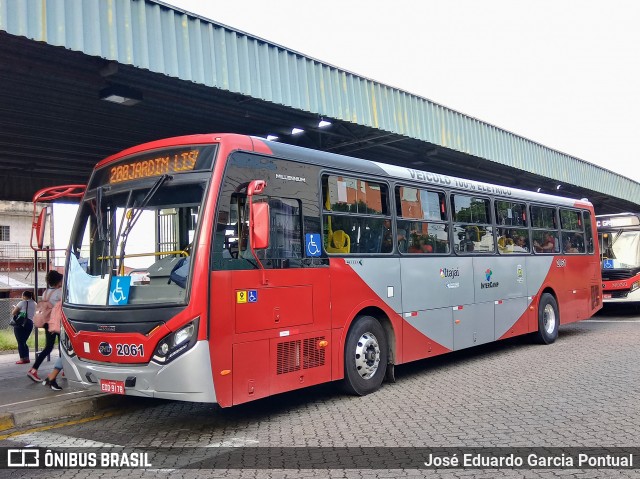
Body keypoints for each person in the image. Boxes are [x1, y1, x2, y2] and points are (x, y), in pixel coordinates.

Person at [27, 270, 63, 388]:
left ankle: (33, 369)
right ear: (59, 281)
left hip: (47, 323)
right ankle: (61, 370)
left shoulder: (46, 292)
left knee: (48, 347)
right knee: (63, 347)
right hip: (56, 323)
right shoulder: (59, 293)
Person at [11, 291, 36, 364]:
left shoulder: (22, 302)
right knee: (24, 341)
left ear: (24, 296)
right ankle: (27, 358)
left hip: (21, 323)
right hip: (30, 323)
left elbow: (13, 313)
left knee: (20, 342)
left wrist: (14, 308)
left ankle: (22, 359)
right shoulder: (34, 303)